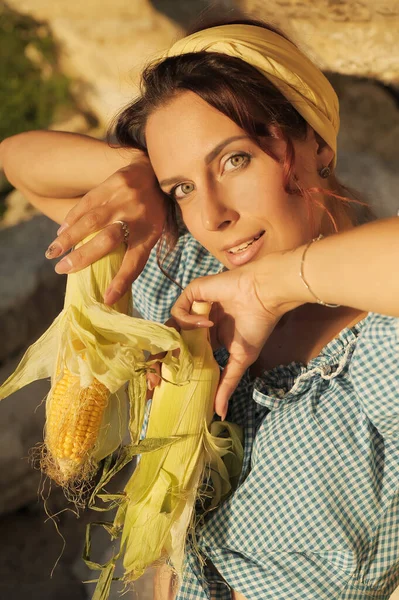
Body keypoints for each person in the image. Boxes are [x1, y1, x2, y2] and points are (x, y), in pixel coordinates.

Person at [1, 17, 399, 600]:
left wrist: (270, 286)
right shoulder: (185, 270)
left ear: (317, 141)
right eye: (182, 187)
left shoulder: (381, 344)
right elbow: (17, 158)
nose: (212, 217)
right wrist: (127, 172)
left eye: (234, 161)